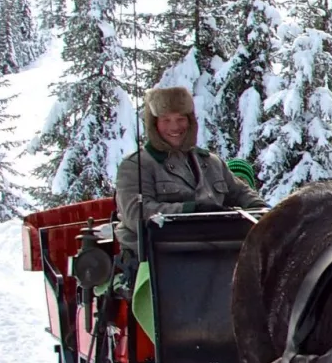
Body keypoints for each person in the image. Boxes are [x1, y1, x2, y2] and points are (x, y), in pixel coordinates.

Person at [114, 86, 267, 251]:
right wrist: (190, 210)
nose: (175, 127)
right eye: (166, 120)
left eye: (180, 119)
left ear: (190, 121)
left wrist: (266, 214)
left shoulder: (211, 163)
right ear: (154, 124)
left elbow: (242, 195)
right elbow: (135, 214)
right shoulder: (137, 165)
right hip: (159, 254)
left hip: (216, 251)